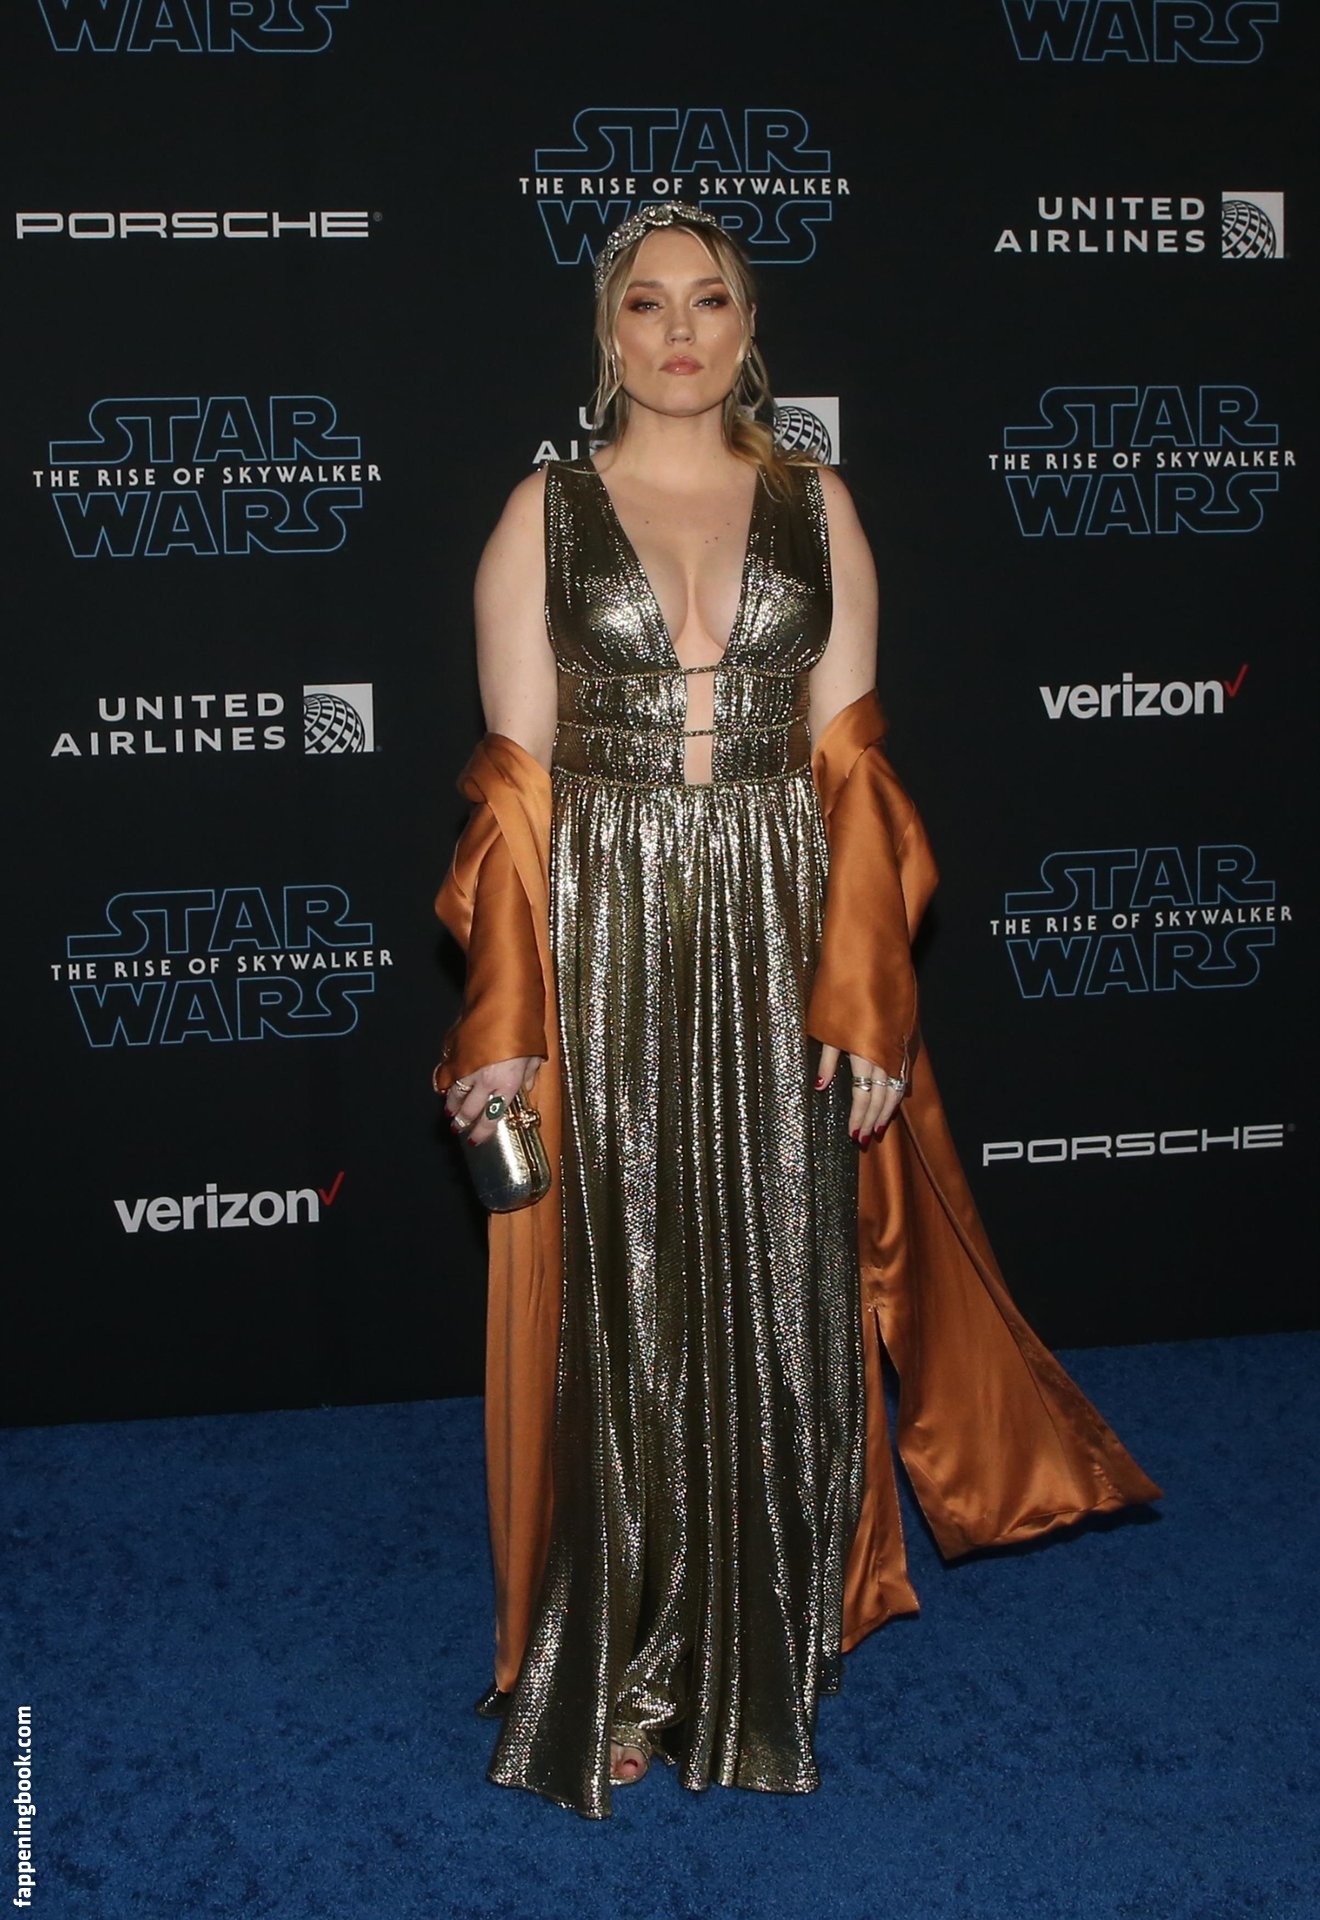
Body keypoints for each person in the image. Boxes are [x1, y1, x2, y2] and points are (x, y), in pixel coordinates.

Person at [434, 203, 1162, 1819]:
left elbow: (852, 773)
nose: (679, 332)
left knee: (785, 1276)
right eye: (646, 305)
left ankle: (760, 1638)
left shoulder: (815, 504)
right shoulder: (544, 510)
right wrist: (503, 1022)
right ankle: (619, 1662)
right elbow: (517, 791)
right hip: (608, 923)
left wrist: (870, 1001)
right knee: (623, 1290)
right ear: (608, 332)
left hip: (779, 919)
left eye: (709, 302)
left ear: (748, 328)